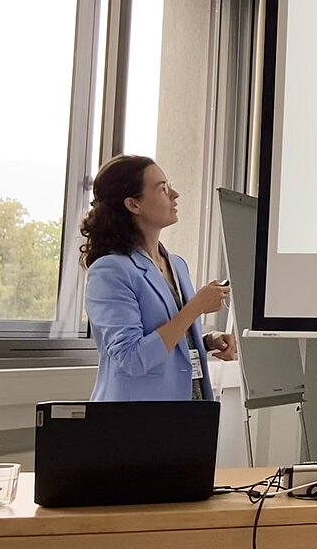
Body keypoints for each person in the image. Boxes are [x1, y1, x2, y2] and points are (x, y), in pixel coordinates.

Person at [80, 155, 236, 402]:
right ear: (133, 204)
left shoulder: (177, 265)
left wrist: (207, 342)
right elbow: (132, 358)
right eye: (163, 189)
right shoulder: (110, 271)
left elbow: (170, 339)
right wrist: (195, 308)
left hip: (189, 412)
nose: (175, 194)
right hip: (137, 418)